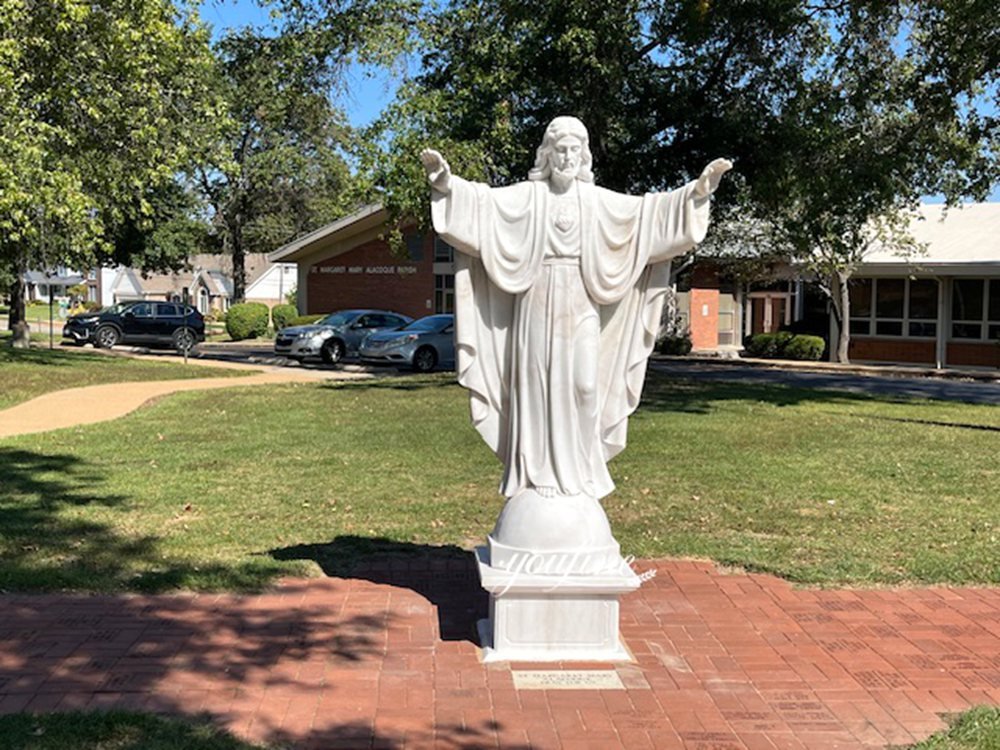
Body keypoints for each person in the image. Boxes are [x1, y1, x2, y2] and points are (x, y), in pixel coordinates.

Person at [422, 116, 730, 504]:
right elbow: (483, 206)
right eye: (560, 150)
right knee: (535, 382)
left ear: (584, 156)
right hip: (536, 297)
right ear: (547, 155)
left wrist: (695, 195)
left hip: (580, 299)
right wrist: (446, 185)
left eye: (574, 151)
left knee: (585, 385)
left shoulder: (596, 199)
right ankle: (537, 473)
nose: (567, 158)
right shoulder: (529, 197)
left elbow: (648, 215)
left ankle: (582, 469)